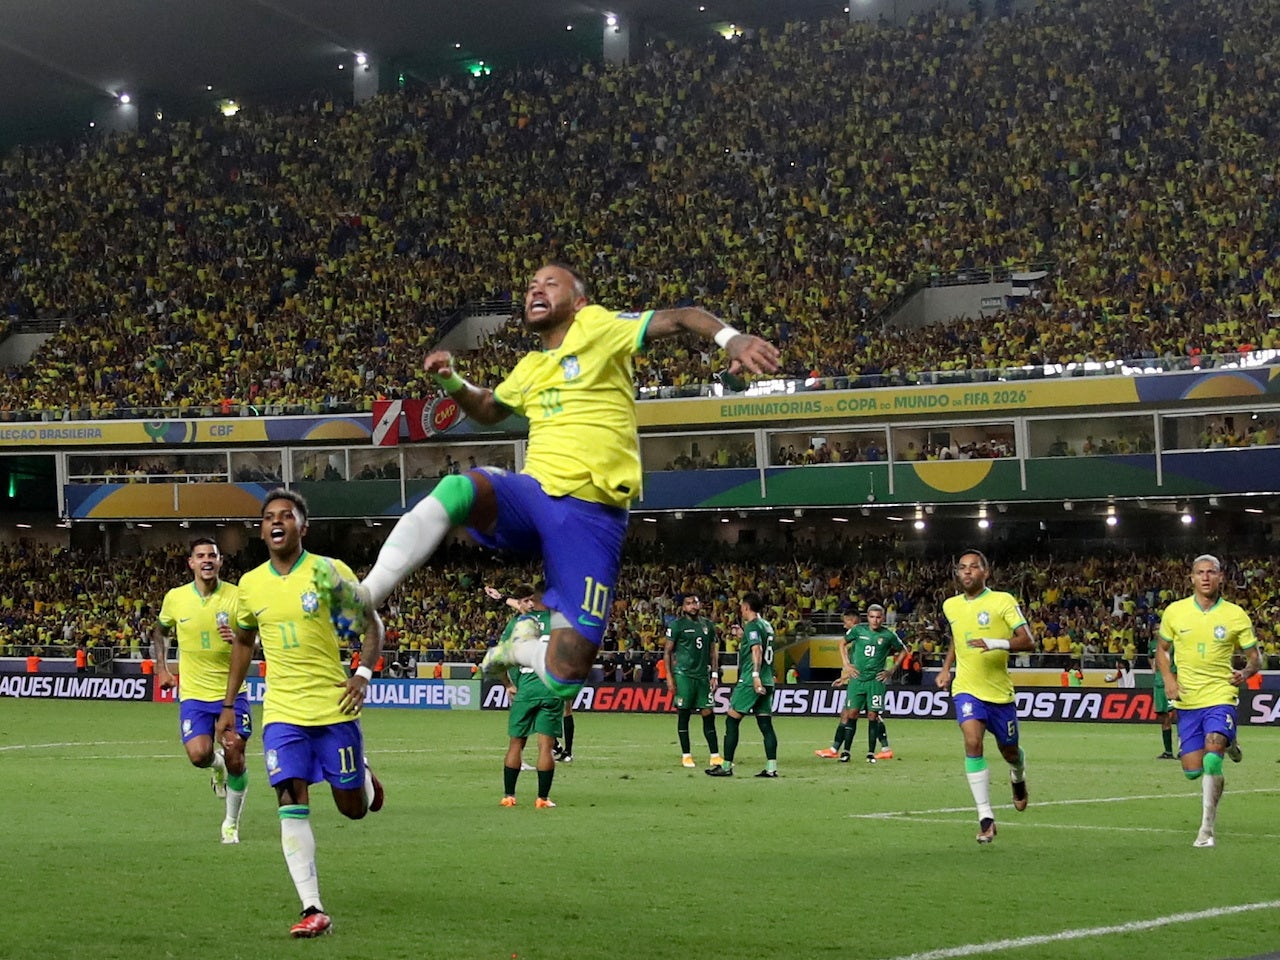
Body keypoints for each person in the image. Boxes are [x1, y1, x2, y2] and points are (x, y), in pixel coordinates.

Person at [314, 262, 779, 704]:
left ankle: (515, 649)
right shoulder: (530, 368)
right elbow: (491, 409)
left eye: (550, 284)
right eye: (532, 284)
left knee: (564, 675)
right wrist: (454, 382)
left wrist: (731, 339)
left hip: (592, 518)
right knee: (460, 488)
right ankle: (366, 594)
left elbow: (681, 317)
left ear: (578, 302)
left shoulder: (597, 326)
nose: (535, 289)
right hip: (536, 496)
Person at [215, 489, 386, 938]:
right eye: (268, 517)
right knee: (290, 802)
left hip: (333, 707)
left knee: (353, 809)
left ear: (302, 527)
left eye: (286, 516)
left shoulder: (330, 572)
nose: (276, 522)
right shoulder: (250, 585)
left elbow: (372, 623)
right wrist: (229, 704)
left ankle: (362, 776)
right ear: (262, 529)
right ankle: (312, 906)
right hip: (283, 713)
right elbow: (245, 642)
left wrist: (363, 674)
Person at [1155, 554, 1260, 848]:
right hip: (1188, 700)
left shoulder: (1235, 615)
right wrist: (1169, 680)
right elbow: (1162, 651)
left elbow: (1255, 658)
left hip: (1220, 694)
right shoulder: (1175, 612)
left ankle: (1206, 830)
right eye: (1200, 572)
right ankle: (1230, 742)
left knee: (1213, 758)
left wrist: (1245, 673)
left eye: (1211, 572)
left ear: (1221, 577)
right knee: (1193, 771)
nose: (1205, 577)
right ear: (1191, 578)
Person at [152, 537, 249, 844]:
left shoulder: (237, 597)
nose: (207, 560)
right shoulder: (176, 598)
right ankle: (215, 766)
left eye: (213, 555)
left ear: (220, 561)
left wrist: (236, 638)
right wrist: (162, 667)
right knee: (198, 755)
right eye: (201, 556)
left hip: (232, 694)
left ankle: (230, 824)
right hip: (193, 693)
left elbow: (254, 641)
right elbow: (160, 631)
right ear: (191, 563)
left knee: (235, 752)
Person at [936, 550, 1034, 844]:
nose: (967, 572)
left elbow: (1028, 640)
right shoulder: (950, 605)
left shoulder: (1002, 601)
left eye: (973, 568)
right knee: (972, 741)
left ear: (985, 573)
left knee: (1010, 751)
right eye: (962, 568)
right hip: (967, 688)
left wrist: (994, 642)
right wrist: (946, 668)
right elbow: (957, 636)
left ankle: (1018, 777)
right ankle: (985, 817)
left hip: (999, 694)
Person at [498, 586, 561, 808]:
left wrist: (508, 685)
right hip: (550, 689)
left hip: (525, 689)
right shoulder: (558, 621)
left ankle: (509, 796)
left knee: (516, 744)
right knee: (546, 746)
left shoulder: (518, 623)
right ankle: (542, 798)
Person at [817, 605, 905, 763]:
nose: (875, 620)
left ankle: (843, 749)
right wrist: (845, 672)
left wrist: (891, 670)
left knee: (871, 715)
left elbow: (904, 649)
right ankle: (844, 749)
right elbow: (848, 652)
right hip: (857, 681)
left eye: (878, 617)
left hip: (874, 681)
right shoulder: (857, 633)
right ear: (868, 617)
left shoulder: (886, 635)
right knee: (853, 714)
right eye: (872, 617)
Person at [706, 593, 778, 778]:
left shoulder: (753, 626)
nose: (740, 610)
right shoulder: (766, 626)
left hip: (751, 680)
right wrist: (742, 635)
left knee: (732, 720)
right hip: (769, 679)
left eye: (741, 607)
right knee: (765, 724)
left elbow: (757, 649)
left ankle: (727, 766)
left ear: (746, 607)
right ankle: (771, 768)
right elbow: (756, 642)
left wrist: (755, 676)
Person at [663, 593, 722, 769]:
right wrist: (669, 676)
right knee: (684, 714)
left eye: (695, 602)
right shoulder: (676, 625)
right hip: (684, 675)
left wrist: (714, 674)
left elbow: (713, 651)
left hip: (703, 676)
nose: (693, 606)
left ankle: (715, 756)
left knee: (708, 713)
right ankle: (686, 755)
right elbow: (667, 652)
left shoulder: (708, 625)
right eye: (689, 603)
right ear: (683, 607)